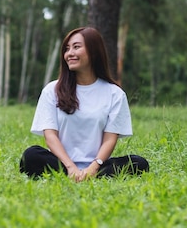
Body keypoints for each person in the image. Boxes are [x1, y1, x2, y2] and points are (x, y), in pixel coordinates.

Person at [19, 26, 149, 181]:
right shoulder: (52, 90)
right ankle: (72, 175)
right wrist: (71, 167)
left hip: (99, 166)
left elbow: (110, 139)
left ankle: (90, 176)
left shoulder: (115, 94)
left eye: (76, 47)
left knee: (139, 163)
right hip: (61, 164)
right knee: (31, 156)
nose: (69, 53)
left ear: (94, 52)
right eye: (67, 49)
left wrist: (93, 168)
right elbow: (50, 136)